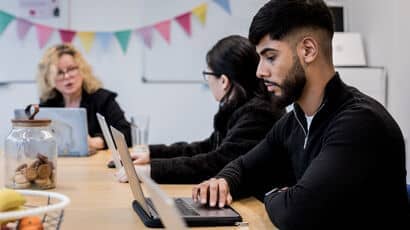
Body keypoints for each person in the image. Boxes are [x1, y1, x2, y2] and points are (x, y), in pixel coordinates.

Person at [192, 1, 409, 229]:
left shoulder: (360, 123)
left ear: (308, 50)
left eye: (271, 57)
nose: (260, 71)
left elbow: (297, 214)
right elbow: (242, 168)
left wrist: (271, 193)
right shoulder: (294, 120)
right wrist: (222, 182)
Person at [116, 35, 285, 184]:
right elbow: (207, 148)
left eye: (208, 75)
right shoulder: (240, 109)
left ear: (224, 81)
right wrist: (151, 153)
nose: (208, 81)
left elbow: (217, 164)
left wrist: (150, 171)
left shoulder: (259, 115)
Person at [37, 43, 132, 152]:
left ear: (82, 70)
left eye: (71, 69)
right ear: (49, 78)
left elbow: (127, 133)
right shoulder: (48, 103)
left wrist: (98, 142)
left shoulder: (102, 99)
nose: (67, 76)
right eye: (59, 72)